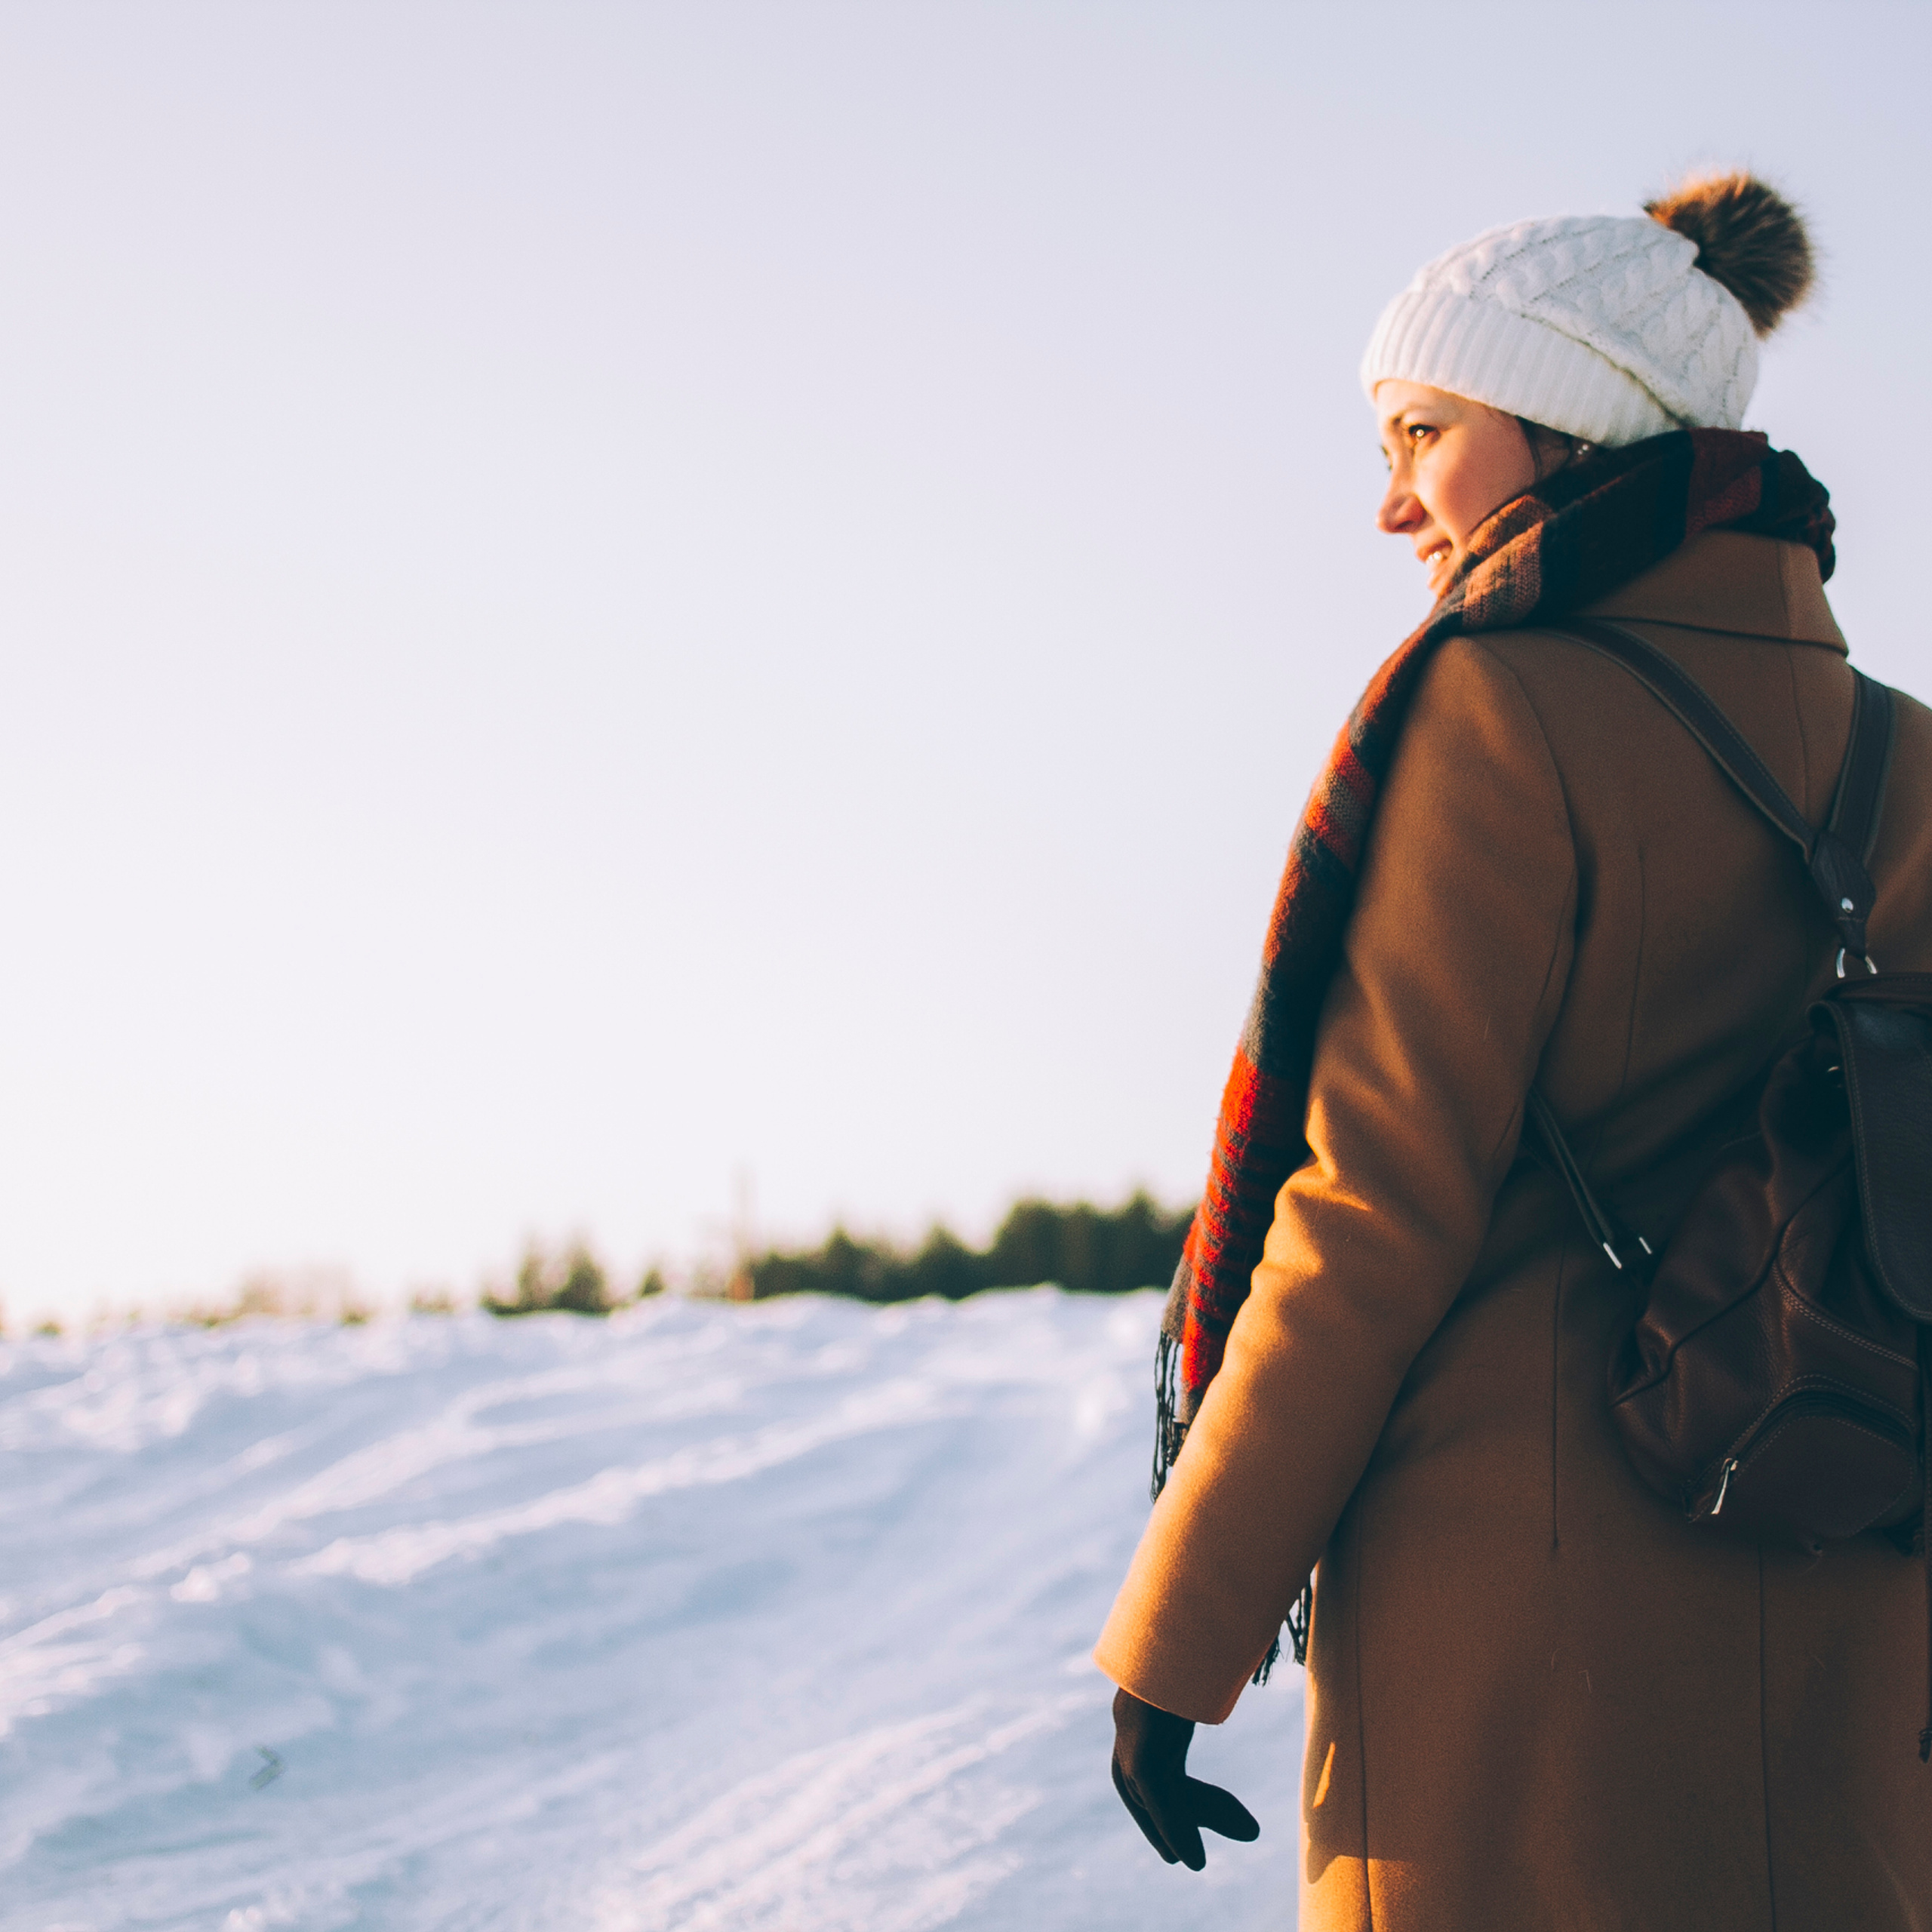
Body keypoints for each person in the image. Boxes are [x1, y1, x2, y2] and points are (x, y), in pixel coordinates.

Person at [1095, 174, 1932, 1930]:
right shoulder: (1899, 754)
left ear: (1565, 426)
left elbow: (1367, 1212)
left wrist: (1180, 1638)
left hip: (1527, 1622)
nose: (1393, 499)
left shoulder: (1495, 713)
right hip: (1846, 1566)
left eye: (1422, 432)